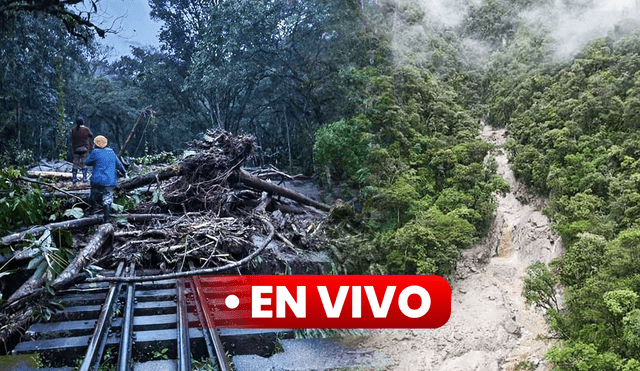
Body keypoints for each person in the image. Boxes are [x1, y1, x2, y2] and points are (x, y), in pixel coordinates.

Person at [85, 135, 127, 221]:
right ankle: (106, 219)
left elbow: (87, 162)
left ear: (95, 144)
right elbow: (119, 165)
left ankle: (92, 212)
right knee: (108, 199)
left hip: (97, 180)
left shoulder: (95, 152)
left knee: (93, 194)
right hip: (110, 181)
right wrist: (125, 173)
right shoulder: (111, 152)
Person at [70, 116, 93, 183]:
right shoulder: (86, 129)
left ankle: (74, 177)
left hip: (76, 149)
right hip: (84, 148)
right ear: (83, 121)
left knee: (75, 163)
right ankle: (84, 178)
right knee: (84, 163)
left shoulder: (73, 129)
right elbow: (91, 135)